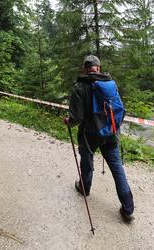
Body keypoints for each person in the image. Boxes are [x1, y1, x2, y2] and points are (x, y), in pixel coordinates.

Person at [64, 55, 134, 223]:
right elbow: (119, 110)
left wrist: (68, 121)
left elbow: (76, 118)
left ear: (85, 69)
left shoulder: (80, 87)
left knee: (87, 161)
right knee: (117, 169)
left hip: (89, 135)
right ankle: (128, 208)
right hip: (110, 134)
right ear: (98, 67)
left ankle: (85, 187)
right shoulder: (110, 84)